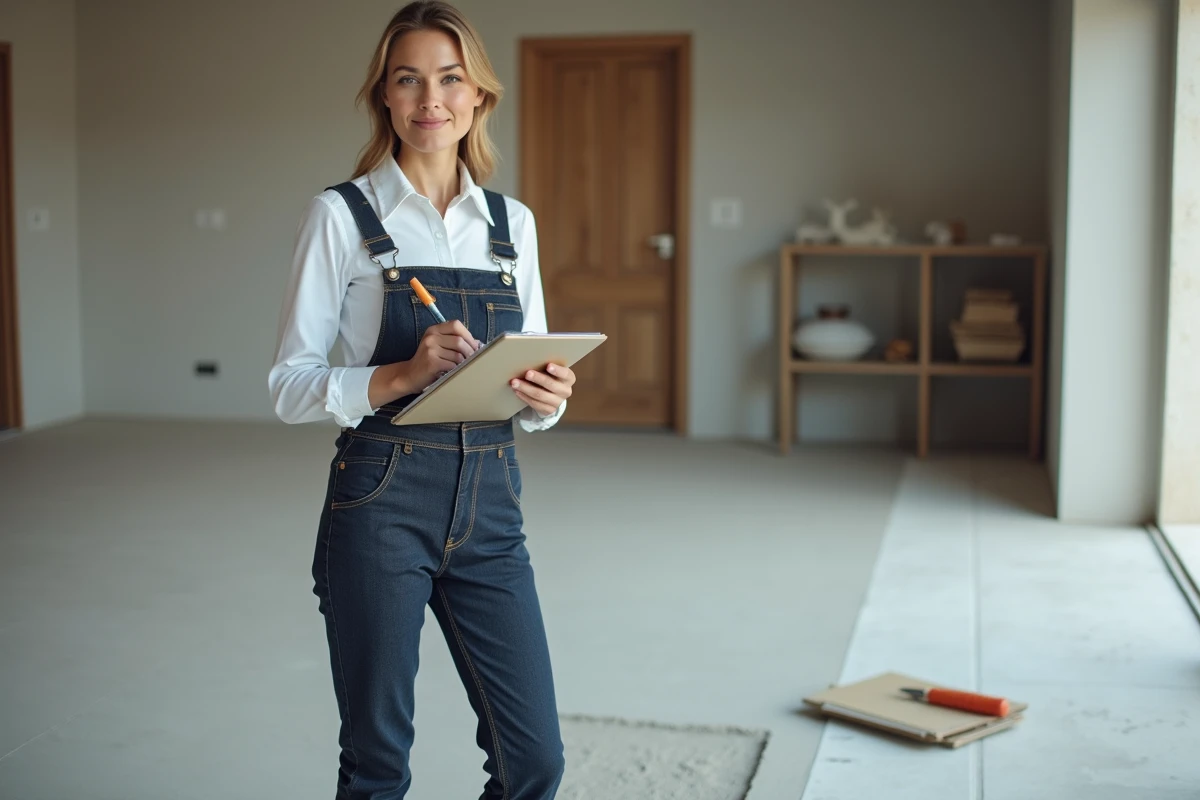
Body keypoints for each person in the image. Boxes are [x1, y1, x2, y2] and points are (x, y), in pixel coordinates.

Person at [267, 3, 572, 798]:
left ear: (478, 97)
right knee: (377, 766)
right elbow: (289, 384)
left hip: (493, 508)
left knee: (534, 762)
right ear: (386, 98)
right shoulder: (340, 216)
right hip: (380, 502)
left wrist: (546, 396)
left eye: (449, 78)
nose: (429, 98)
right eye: (408, 80)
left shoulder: (513, 226)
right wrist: (397, 377)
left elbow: (530, 386)